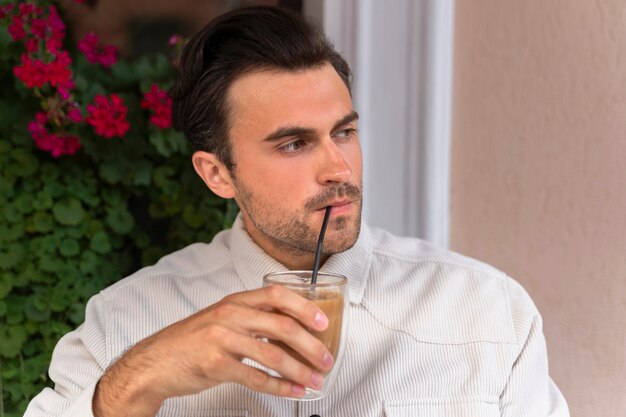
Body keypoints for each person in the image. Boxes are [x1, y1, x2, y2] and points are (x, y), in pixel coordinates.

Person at [25, 5, 569, 417]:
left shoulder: (487, 312)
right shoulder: (126, 321)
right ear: (217, 174)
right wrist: (138, 382)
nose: (339, 168)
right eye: (293, 144)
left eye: (345, 132)